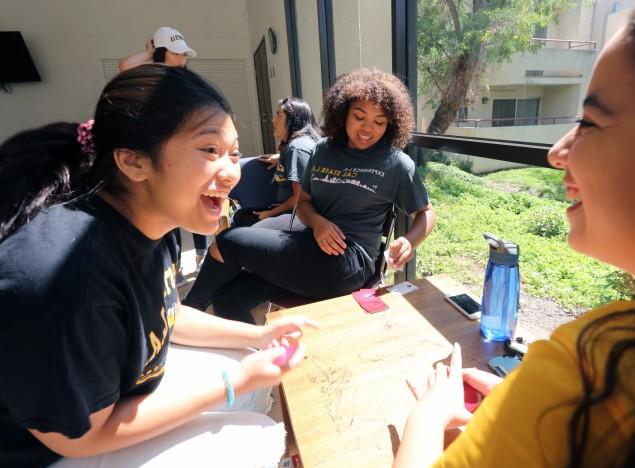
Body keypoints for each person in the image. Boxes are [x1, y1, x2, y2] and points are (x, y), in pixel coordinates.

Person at [388, 0, 635, 468]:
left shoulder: (590, 371)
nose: (557, 151)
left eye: (590, 122)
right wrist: (523, 412)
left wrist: (426, 418)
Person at [0, 64, 317, 468]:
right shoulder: (69, 277)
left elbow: (165, 311)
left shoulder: (153, 219)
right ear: (134, 162)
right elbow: (80, 436)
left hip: (112, 402)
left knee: (255, 370)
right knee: (258, 439)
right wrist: (233, 382)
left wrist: (259, 335)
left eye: (233, 152)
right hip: (44, 459)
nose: (232, 173)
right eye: (209, 150)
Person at [185, 68, 436, 323]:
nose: (367, 128)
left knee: (229, 241)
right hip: (308, 249)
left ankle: (183, 317)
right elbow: (303, 202)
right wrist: (318, 223)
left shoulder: (396, 164)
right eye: (359, 117)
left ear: (391, 124)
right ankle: (257, 353)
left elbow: (425, 213)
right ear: (343, 112)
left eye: (379, 122)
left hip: (348, 263)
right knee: (230, 297)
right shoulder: (324, 150)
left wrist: (409, 241)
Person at [118, 26, 209, 280]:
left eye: (184, 54)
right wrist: (148, 53)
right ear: (161, 51)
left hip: (188, 153)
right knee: (169, 210)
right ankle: (176, 265)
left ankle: (202, 255)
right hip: (162, 155)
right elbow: (125, 66)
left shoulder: (187, 82)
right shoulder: (152, 77)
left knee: (196, 200)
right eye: (176, 53)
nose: (182, 58)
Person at [232, 97, 321, 230]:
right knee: (241, 216)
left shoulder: (296, 148)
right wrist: (281, 159)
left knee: (247, 231)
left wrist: (269, 214)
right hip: (291, 212)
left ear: (292, 119)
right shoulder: (299, 145)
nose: (273, 120)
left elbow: (299, 200)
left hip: (300, 216)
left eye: (279, 115)